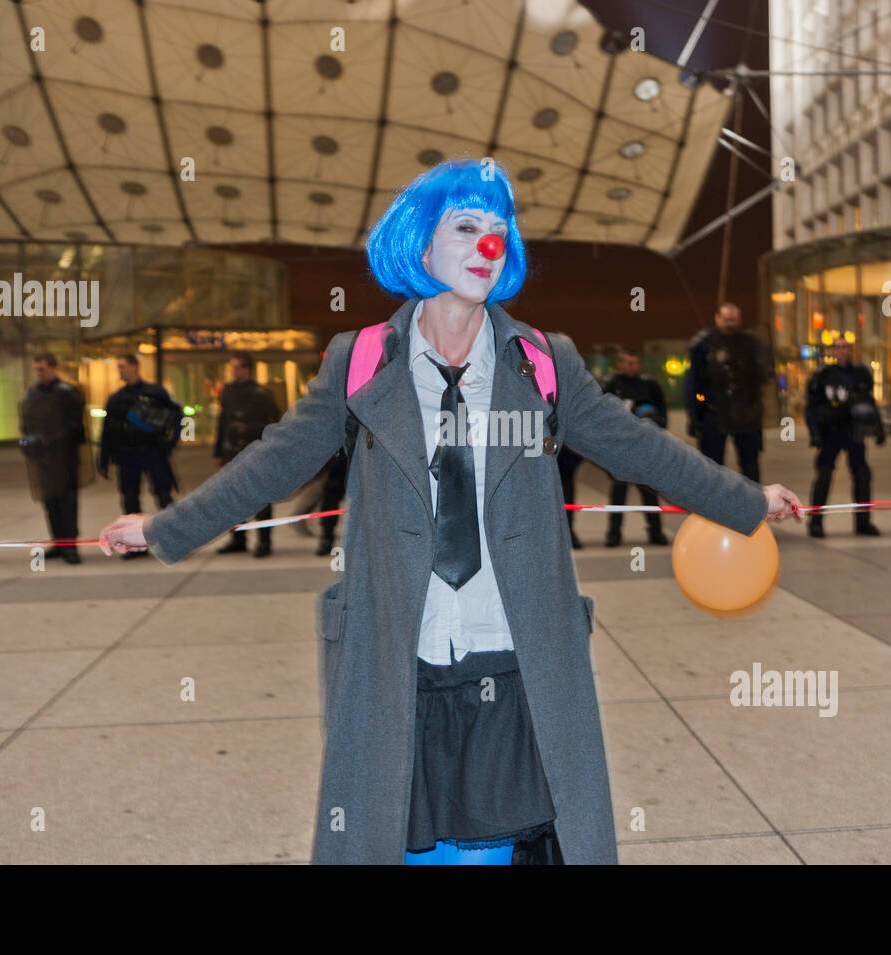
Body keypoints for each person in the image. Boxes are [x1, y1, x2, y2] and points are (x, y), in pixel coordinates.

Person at [98, 159, 801, 866]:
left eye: (499, 231)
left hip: (513, 657)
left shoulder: (544, 362)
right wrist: (164, 527)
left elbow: (640, 448)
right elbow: (274, 460)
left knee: (491, 848)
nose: (487, 247)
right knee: (400, 842)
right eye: (466, 227)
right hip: (401, 657)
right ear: (422, 245)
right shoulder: (361, 360)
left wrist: (745, 501)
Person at [98, 354, 181, 557]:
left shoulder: (155, 392)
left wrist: (171, 442)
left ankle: (176, 540)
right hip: (128, 456)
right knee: (129, 499)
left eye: (123, 366)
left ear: (135, 367)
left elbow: (177, 415)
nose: (120, 370)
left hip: (153, 451)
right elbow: (107, 430)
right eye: (118, 366)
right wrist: (103, 458)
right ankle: (134, 545)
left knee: (164, 496)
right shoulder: (116, 398)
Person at [804, 336, 884, 538]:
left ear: (850, 350)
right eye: (838, 347)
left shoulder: (861, 373)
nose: (841, 350)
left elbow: (870, 402)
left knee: (862, 475)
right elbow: (812, 406)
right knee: (824, 474)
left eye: (845, 347)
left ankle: (863, 522)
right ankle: (816, 522)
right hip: (831, 431)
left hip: (854, 431)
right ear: (832, 350)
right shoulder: (824, 374)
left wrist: (878, 427)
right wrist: (814, 433)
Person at [684, 302, 770, 483]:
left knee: (750, 466)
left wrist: (740, 365)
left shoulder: (751, 343)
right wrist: (695, 414)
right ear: (717, 318)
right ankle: (713, 508)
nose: (730, 323)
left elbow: (764, 376)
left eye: (734, 319)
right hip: (714, 412)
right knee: (712, 467)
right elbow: (694, 383)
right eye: (726, 319)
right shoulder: (704, 344)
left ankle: (751, 507)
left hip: (745, 414)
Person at [20, 352, 89, 564]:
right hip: (44, 459)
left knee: (67, 503)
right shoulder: (33, 394)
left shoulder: (67, 393)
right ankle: (58, 542)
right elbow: (27, 421)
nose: (39, 373)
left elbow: (77, 428)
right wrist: (29, 440)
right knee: (50, 501)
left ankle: (70, 545)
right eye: (36, 369)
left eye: (42, 369)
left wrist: (50, 439)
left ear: (52, 368)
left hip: (65, 457)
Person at [212, 352, 281, 558]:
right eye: (231, 367)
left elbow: (274, 424)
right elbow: (222, 422)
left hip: (256, 451)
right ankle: (238, 539)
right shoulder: (228, 391)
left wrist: (248, 427)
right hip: (232, 451)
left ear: (246, 369)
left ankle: (264, 542)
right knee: (234, 498)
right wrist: (218, 451)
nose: (232, 371)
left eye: (236, 367)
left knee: (261, 499)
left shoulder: (262, 393)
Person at [601, 348, 669, 547]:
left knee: (649, 492)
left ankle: (655, 532)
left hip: (645, 447)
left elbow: (662, 413)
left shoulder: (649, 385)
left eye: (636, 363)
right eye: (629, 363)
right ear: (620, 364)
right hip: (619, 447)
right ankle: (614, 534)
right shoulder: (611, 385)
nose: (633, 367)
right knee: (618, 493)